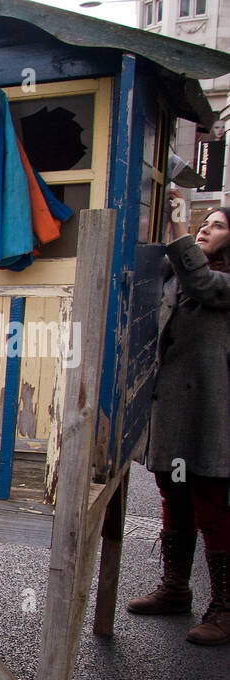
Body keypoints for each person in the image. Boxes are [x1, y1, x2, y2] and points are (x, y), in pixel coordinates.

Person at [126, 199, 230, 646]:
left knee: (212, 499)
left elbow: (204, 285)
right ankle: (175, 589)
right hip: (173, 404)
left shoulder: (217, 278)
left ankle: (225, 608)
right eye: (202, 225)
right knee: (173, 489)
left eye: (218, 226)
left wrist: (178, 231)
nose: (205, 231)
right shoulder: (178, 276)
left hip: (212, 408)